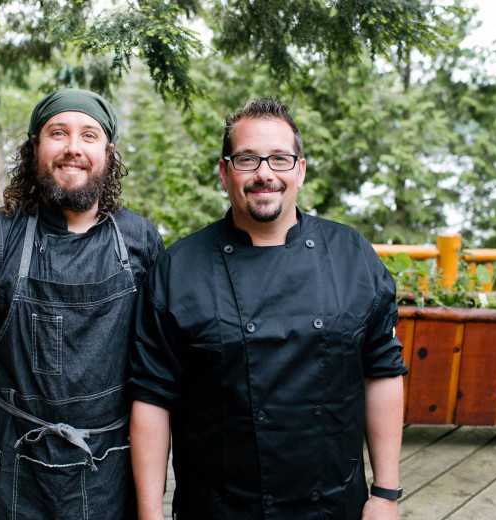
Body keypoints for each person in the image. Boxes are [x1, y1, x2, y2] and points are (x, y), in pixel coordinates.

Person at [128, 98, 407, 520]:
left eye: (279, 158)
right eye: (247, 159)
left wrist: (385, 493)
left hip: (334, 506)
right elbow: (152, 397)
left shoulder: (352, 255)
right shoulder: (178, 268)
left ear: (300, 169)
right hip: (218, 509)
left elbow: (383, 371)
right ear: (224, 173)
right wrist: (150, 516)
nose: (264, 173)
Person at [0, 88, 163, 519]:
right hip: (5, 470)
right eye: (58, 133)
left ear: (107, 153)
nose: (73, 148)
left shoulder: (140, 240)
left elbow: (156, 380)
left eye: (89, 136)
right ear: (35, 146)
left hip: (109, 473)